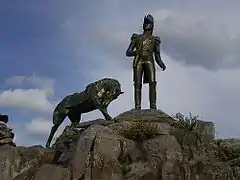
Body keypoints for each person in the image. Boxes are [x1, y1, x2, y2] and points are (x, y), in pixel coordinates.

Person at [126, 14, 166, 109]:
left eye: (149, 24)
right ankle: (137, 107)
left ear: (152, 26)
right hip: (138, 61)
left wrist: (161, 63)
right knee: (137, 84)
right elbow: (128, 52)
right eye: (146, 23)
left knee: (152, 82)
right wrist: (136, 52)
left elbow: (157, 54)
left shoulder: (155, 40)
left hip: (149, 61)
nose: (147, 26)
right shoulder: (137, 38)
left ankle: (153, 106)